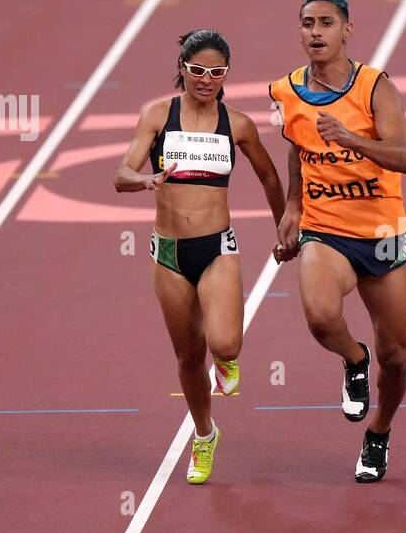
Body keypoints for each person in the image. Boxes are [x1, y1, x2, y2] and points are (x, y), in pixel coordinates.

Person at [114, 29, 286, 483]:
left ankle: (227, 359)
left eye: (216, 72)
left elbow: (270, 178)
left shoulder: (239, 124)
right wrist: (144, 181)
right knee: (189, 356)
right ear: (183, 70)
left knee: (224, 343)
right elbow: (121, 173)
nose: (206, 79)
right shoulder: (156, 115)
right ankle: (205, 436)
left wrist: (285, 227)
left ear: (226, 74)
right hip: (168, 252)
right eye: (197, 71)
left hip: (216, 247)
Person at [269, 0, 406, 483]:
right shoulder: (288, 91)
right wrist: (293, 205)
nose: (315, 32)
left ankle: (379, 431)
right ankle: (355, 360)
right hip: (325, 226)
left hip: (380, 231)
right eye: (307, 22)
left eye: (326, 23)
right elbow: (297, 147)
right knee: (319, 316)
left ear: (347, 30)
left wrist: (351, 138)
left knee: (396, 357)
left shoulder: (376, 87)